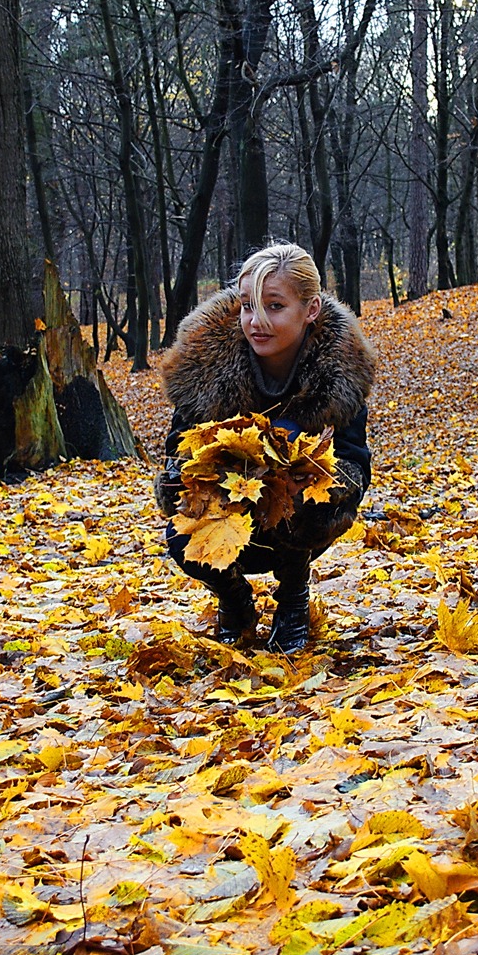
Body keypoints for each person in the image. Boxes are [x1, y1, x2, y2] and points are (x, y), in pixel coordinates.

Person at [155, 243, 375, 653]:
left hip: (300, 515)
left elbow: (355, 461)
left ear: (309, 310)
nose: (256, 322)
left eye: (274, 306)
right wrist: (193, 484)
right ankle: (234, 599)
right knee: (181, 534)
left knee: (310, 504)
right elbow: (177, 451)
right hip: (229, 507)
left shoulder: (340, 370)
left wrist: (319, 480)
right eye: (248, 307)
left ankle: (293, 594)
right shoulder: (205, 366)